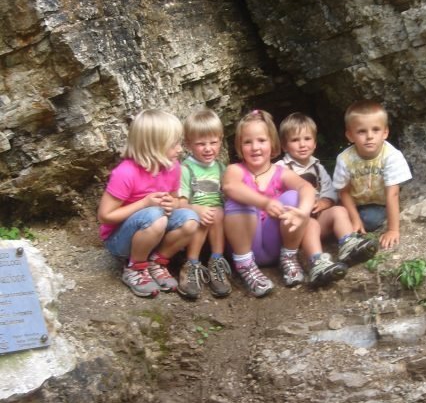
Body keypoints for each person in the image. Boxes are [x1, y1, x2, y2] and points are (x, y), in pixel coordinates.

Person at [97, 109, 199, 298]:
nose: (180, 149)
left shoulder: (173, 167)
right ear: (154, 146)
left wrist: (173, 204)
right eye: (174, 144)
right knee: (154, 216)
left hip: (154, 232)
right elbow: (105, 216)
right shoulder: (126, 173)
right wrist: (144, 203)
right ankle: (135, 268)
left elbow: (175, 199)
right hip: (120, 240)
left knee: (191, 220)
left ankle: (156, 262)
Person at [223, 109, 317, 298]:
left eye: (261, 140)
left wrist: (303, 213)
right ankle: (246, 266)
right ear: (240, 147)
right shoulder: (235, 170)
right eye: (247, 142)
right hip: (246, 246)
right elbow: (230, 187)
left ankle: (289, 257)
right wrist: (264, 202)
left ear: (272, 143)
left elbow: (305, 187)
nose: (255, 147)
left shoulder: (280, 172)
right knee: (241, 198)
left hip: (275, 245)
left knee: (293, 197)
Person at [276, 112, 378, 274]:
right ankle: (318, 262)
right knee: (310, 224)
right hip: (295, 227)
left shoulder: (317, 167)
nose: (302, 145)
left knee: (339, 210)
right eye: (295, 140)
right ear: (284, 146)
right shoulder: (280, 167)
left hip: (318, 216)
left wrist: (324, 202)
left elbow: (330, 193)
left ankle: (348, 243)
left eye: (307, 139)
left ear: (315, 143)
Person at [333, 100, 412, 249]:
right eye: (362, 131)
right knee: (337, 213)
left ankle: (348, 232)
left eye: (375, 129)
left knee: (371, 219)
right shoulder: (345, 159)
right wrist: (354, 218)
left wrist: (392, 230)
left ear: (385, 132)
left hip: (378, 204)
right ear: (350, 135)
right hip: (353, 203)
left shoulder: (391, 156)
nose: (369, 136)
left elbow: (393, 194)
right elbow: (343, 192)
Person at [178, 109, 232, 300]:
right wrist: (197, 209)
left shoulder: (221, 168)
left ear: (221, 139)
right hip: (194, 215)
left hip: (219, 218)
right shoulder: (185, 169)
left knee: (217, 213)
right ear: (188, 144)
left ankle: (216, 261)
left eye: (213, 142)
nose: (208, 148)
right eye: (201, 144)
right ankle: (191, 264)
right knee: (206, 216)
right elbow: (180, 202)